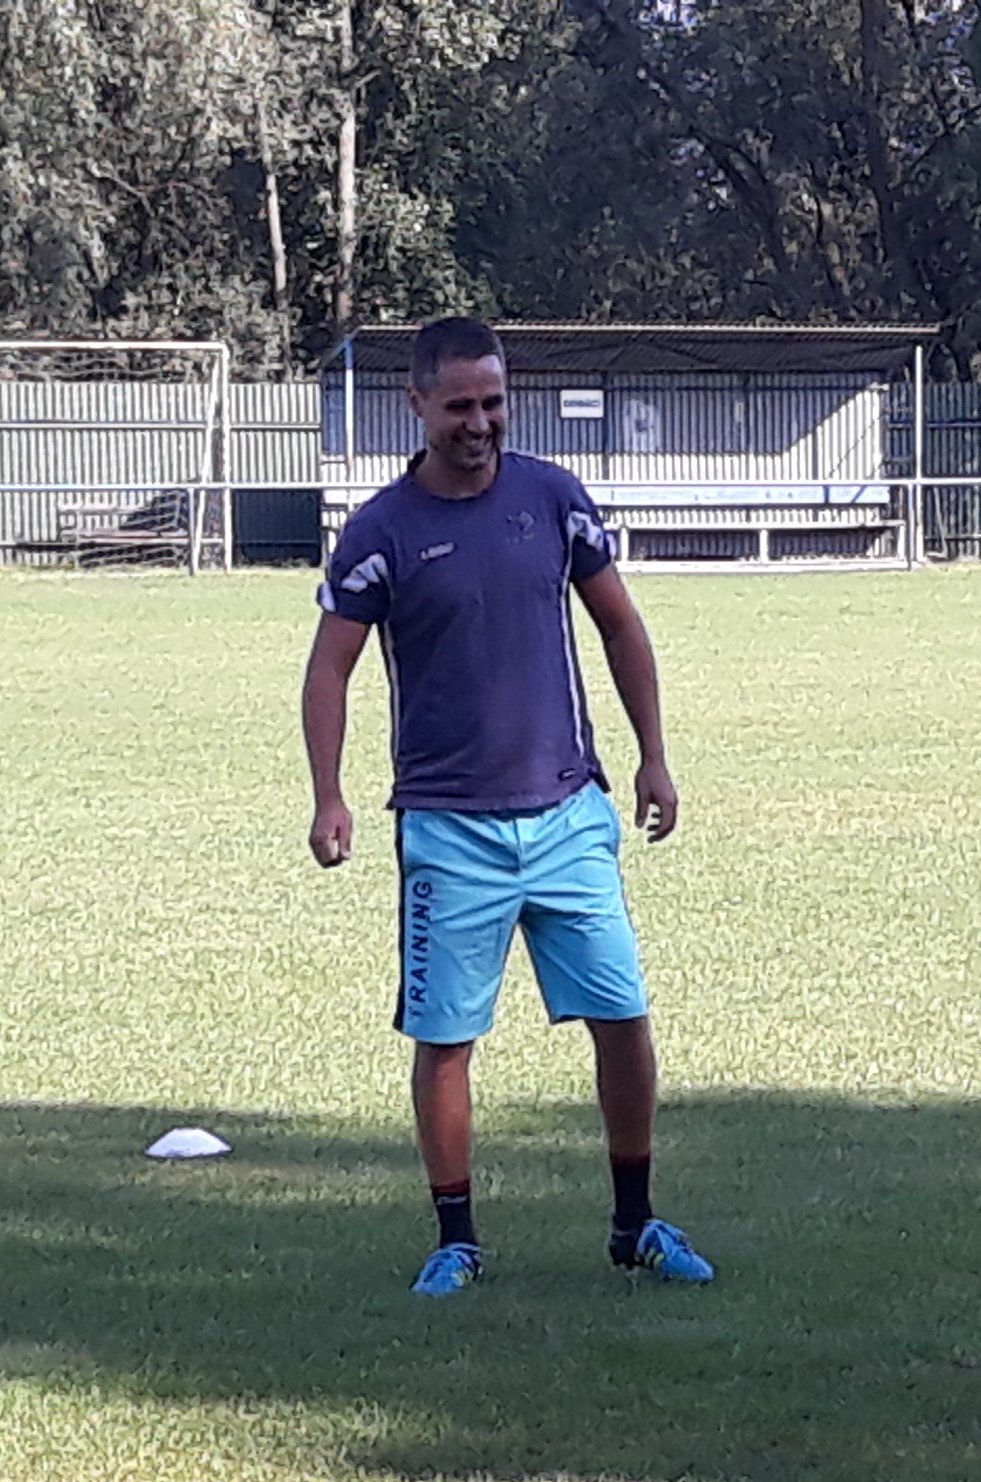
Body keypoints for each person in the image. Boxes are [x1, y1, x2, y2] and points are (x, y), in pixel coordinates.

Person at [302, 314, 713, 1297]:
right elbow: (329, 670)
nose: (480, 423)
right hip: (448, 828)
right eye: (459, 406)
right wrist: (329, 795)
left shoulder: (554, 499)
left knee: (624, 1018)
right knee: (446, 1039)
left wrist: (654, 759)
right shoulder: (380, 533)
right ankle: (457, 1239)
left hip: (570, 814)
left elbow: (621, 628)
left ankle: (635, 1224)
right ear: (416, 404)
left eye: (493, 402)